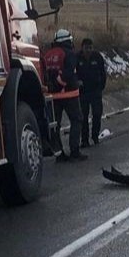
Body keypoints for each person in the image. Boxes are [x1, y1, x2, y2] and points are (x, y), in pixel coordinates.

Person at [42, 29, 85, 160]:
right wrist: (60, 84)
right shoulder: (69, 54)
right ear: (68, 41)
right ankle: (74, 150)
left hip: (52, 96)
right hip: (70, 94)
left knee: (55, 125)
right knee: (76, 120)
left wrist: (51, 87)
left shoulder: (47, 55)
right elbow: (69, 72)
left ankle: (59, 154)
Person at [76, 37, 108, 147]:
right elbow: (73, 73)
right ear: (82, 48)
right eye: (86, 48)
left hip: (95, 91)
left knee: (97, 114)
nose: (88, 50)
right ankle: (84, 140)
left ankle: (95, 136)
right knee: (83, 117)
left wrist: (101, 87)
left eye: (90, 48)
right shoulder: (77, 58)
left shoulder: (97, 57)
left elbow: (103, 73)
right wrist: (77, 82)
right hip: (83, 92)